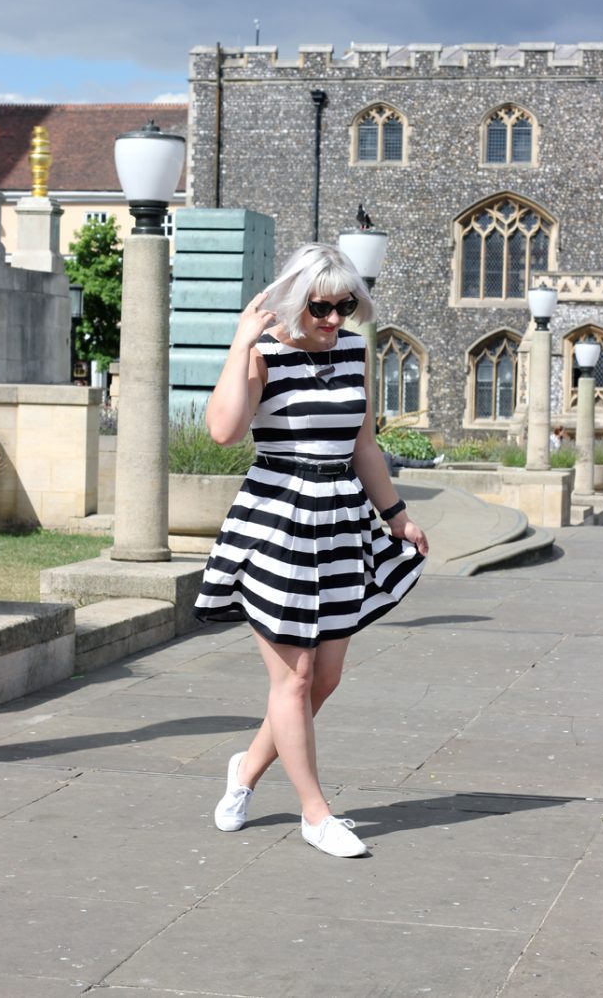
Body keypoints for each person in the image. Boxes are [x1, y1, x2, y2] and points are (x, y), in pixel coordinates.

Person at [194, 243, 429, 858]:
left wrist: (397, 516)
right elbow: (223, 431)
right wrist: (241, 343)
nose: (333, 320)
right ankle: (316, 814)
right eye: (321, 307)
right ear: (297, 301)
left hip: (341, 522)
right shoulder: (265, 352)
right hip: (276, 521)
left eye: (345, 306)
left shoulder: (354, 349)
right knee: (294, 677)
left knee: (323, 679)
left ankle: (244, 772)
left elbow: (365, 447)